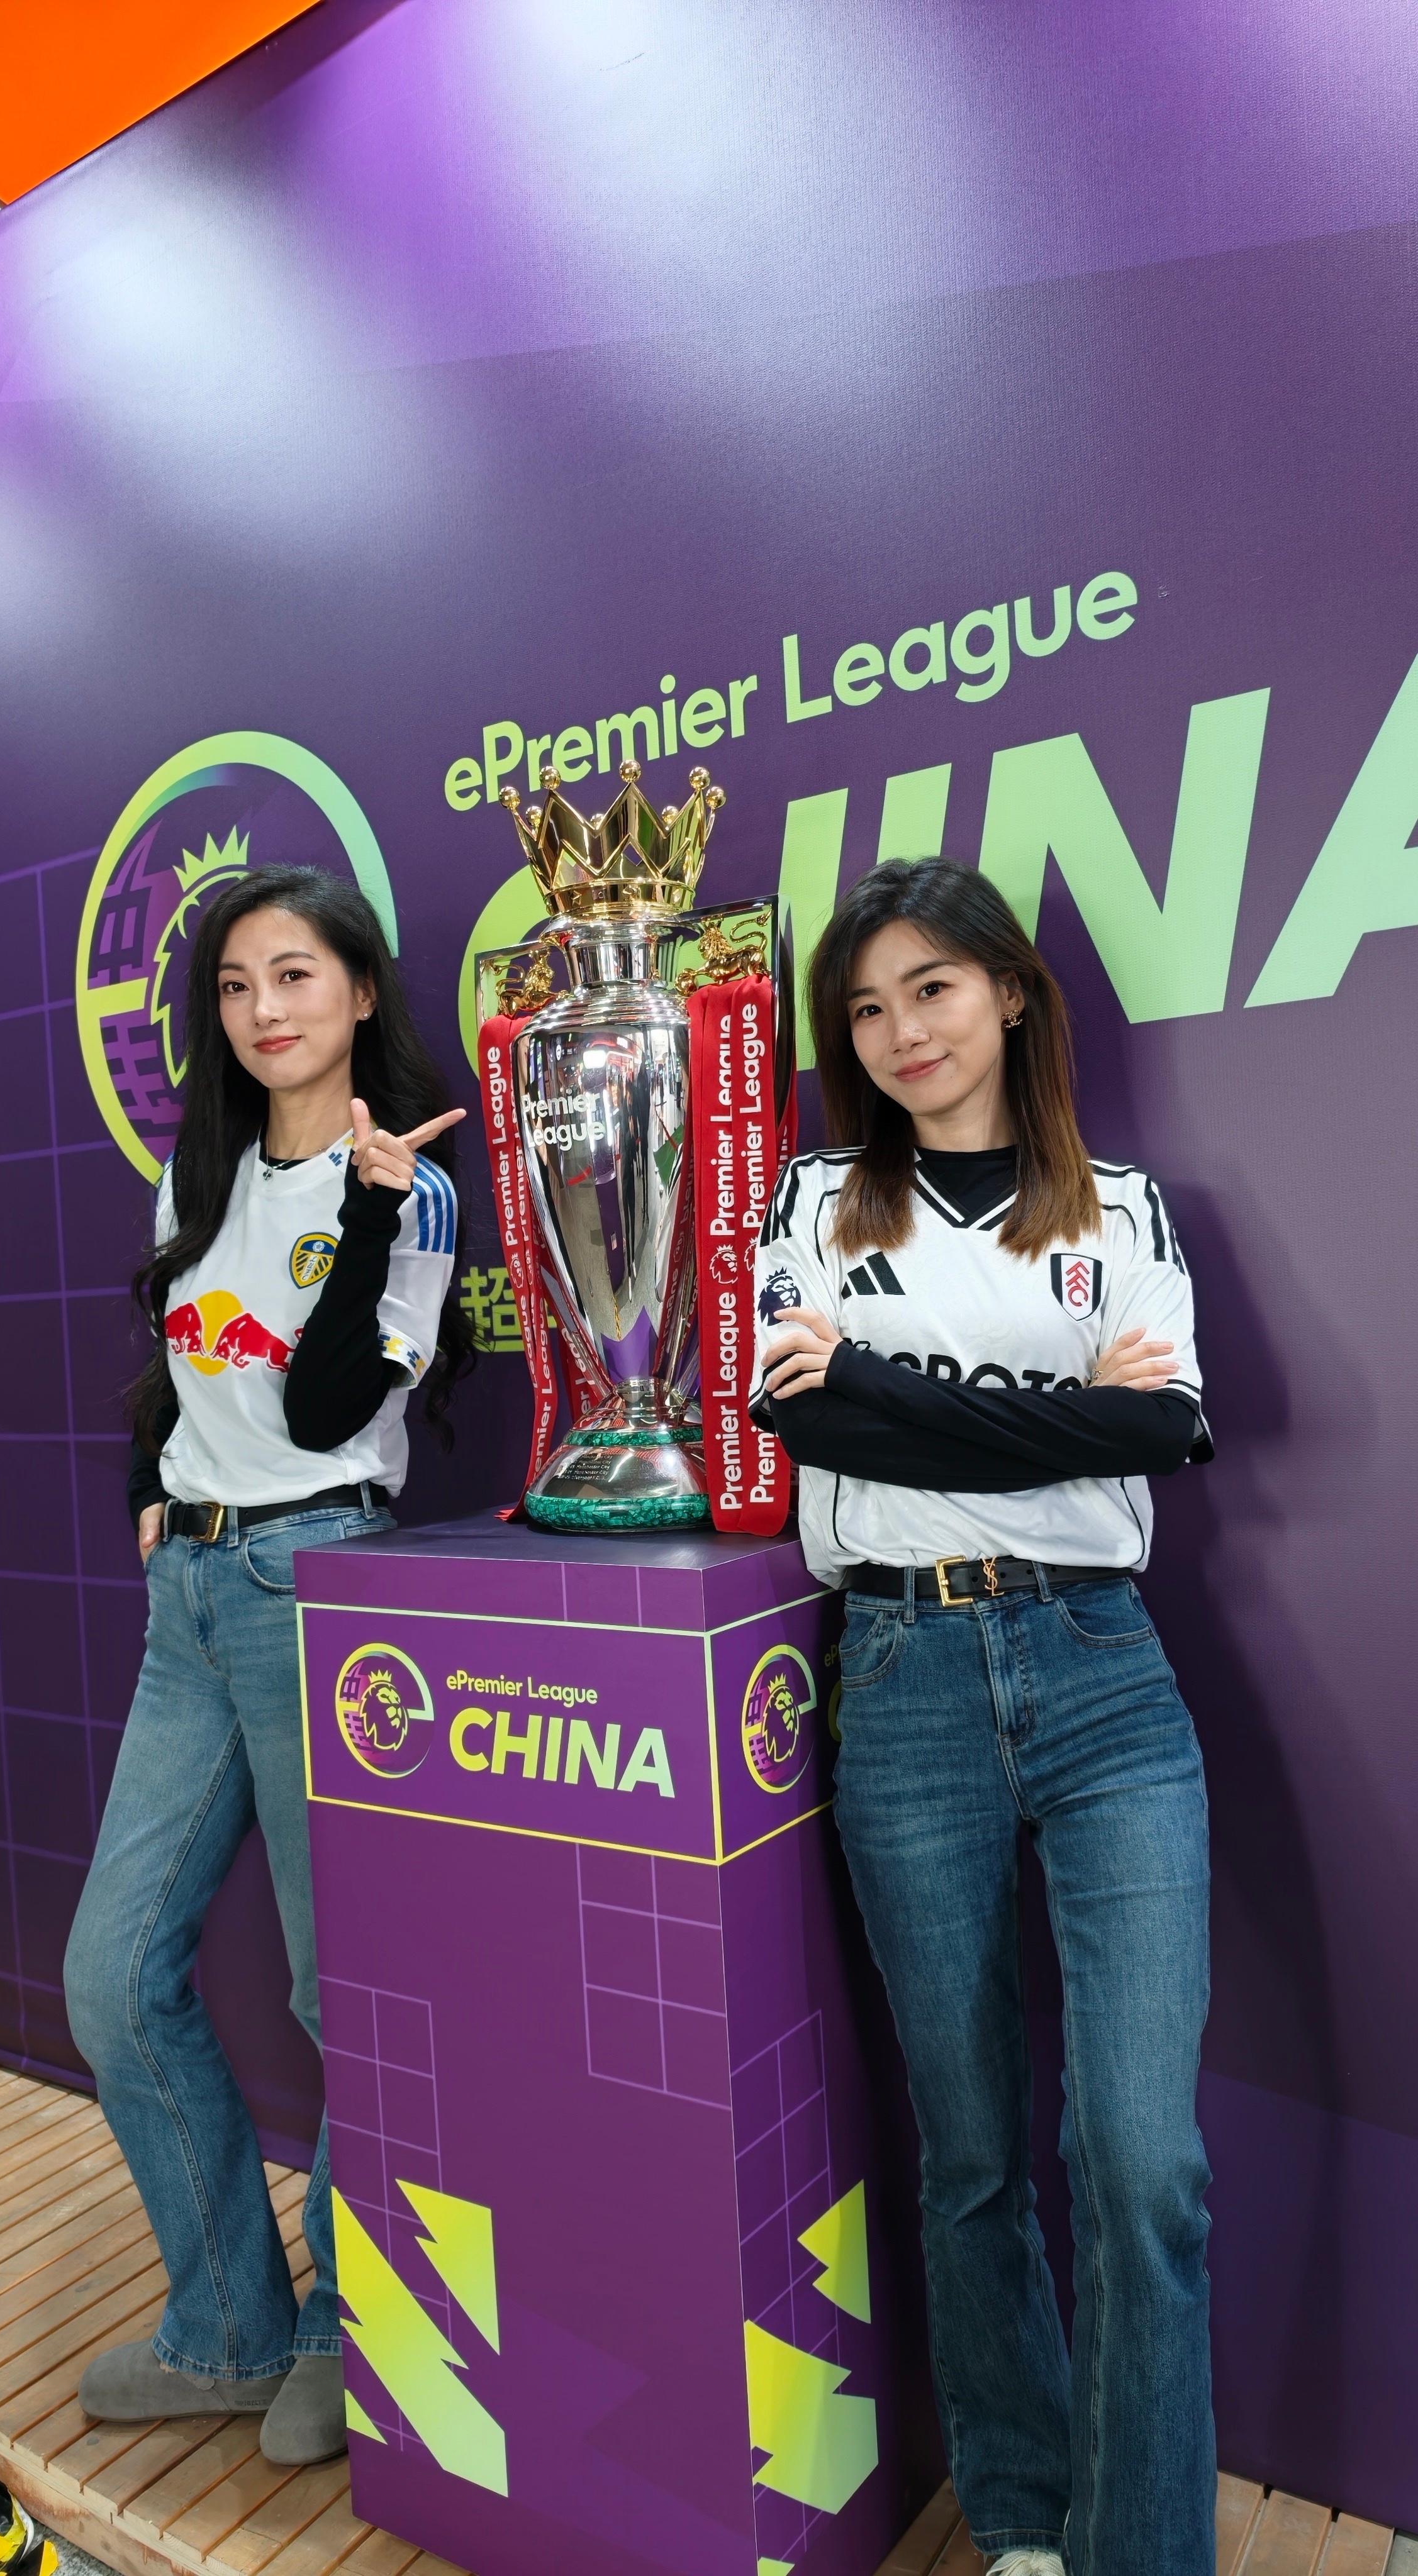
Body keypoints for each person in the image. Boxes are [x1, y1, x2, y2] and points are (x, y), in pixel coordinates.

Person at [751, 860, 1215, 2576]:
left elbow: (1166, 1431)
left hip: (1103, 1676)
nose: (901, 1033)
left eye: (932, 989)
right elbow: (812, 1425)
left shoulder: (1125, 1208)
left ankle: (1140, 2550)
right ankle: (1020, 2517)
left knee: (1142, 2162)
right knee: (968, 2152)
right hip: (904, 1681)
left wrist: (886, 1388)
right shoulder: (816, 1202)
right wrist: (1056, 1415)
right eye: (867, 1009)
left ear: (1010, 993)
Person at [64, 864, 472, 2467]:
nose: (263, 1009)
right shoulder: (202, 1165)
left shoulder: (413, 1191)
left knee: (334, 1988)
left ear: (360, 991)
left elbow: (320, 1412)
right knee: (113, 1975)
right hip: (192, 1594)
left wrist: (365, 1208)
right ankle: (228, 2323)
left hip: (321, 1582)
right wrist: (150, 1491)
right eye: (236, 985)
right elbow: (170, 1367)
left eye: (294, 974)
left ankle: (342, 2329)